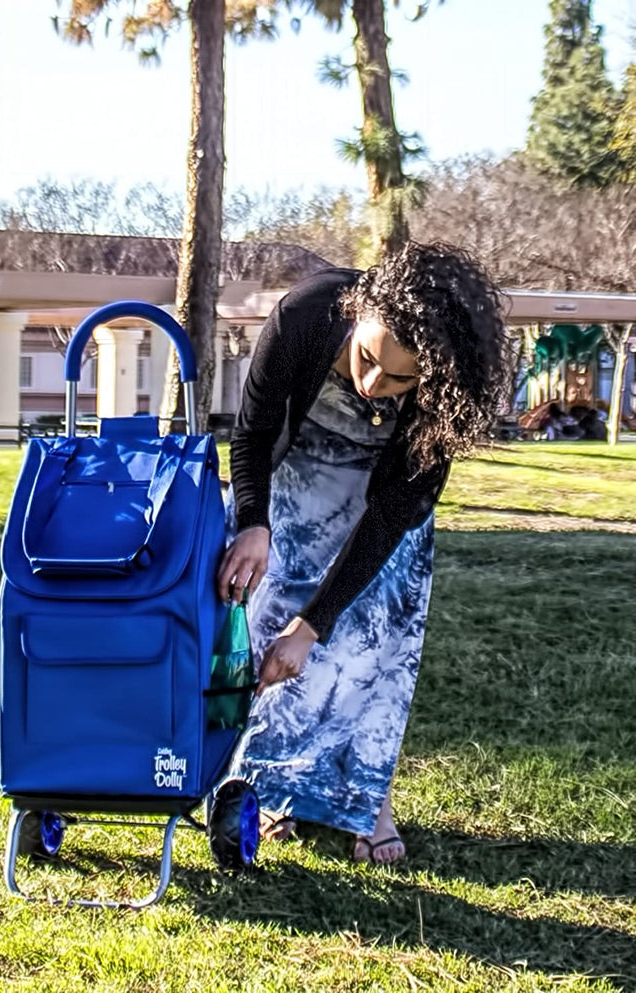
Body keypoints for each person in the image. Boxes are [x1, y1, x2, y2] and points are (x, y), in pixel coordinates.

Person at [216, 241, 510, 864]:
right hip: (295, 486)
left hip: (379, 516)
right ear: (357, 312)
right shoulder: (305, 315)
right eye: (369, 358)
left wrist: (314, 624)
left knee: (365, 647)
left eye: (401, 378)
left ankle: (370, 802)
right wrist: (252, 522)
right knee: (266, 636)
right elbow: (255, 432)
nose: (374, 383)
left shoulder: (441, 399)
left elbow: (388, 519)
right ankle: (273, 790)